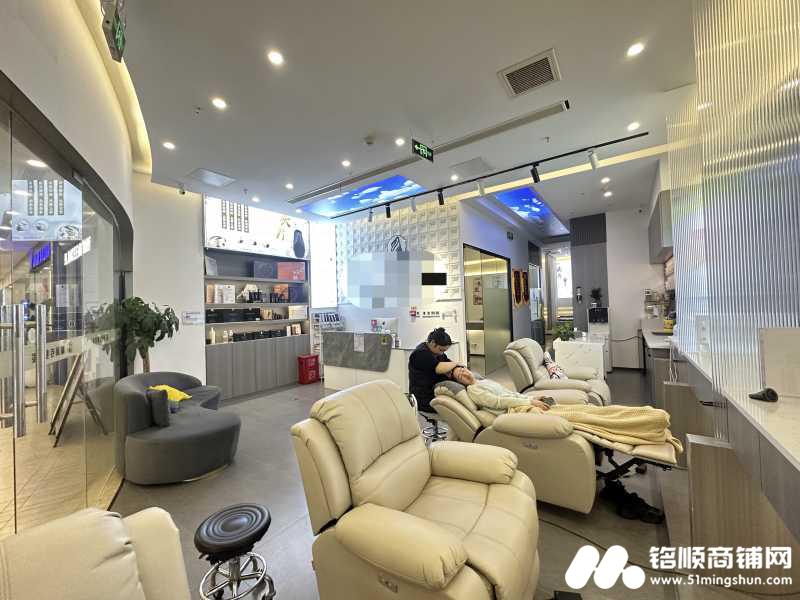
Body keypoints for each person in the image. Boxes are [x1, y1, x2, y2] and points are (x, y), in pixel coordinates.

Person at [449, 366, 552, 413]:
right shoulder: (473, 391)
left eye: (463, 370)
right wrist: (530, 402)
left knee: (551, 404)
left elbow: (508, 393)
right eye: (460, 376)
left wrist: (531, 398)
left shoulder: (483, 381)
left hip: (518, 404)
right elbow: (499, 402)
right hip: (511, 410)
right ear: (461, 383)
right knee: (548, 413)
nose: (464, 374)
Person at [408, 328, 461, 412]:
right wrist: (456, 363)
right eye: (441, 350)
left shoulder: (438, 353)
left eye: (444, 351)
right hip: (424, 398)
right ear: (433, 343)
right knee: (458, 406)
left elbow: (447, 362)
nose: (442, 353)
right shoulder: (420, 354)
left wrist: (457, 369)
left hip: (435, 392)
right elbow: (438, 367)